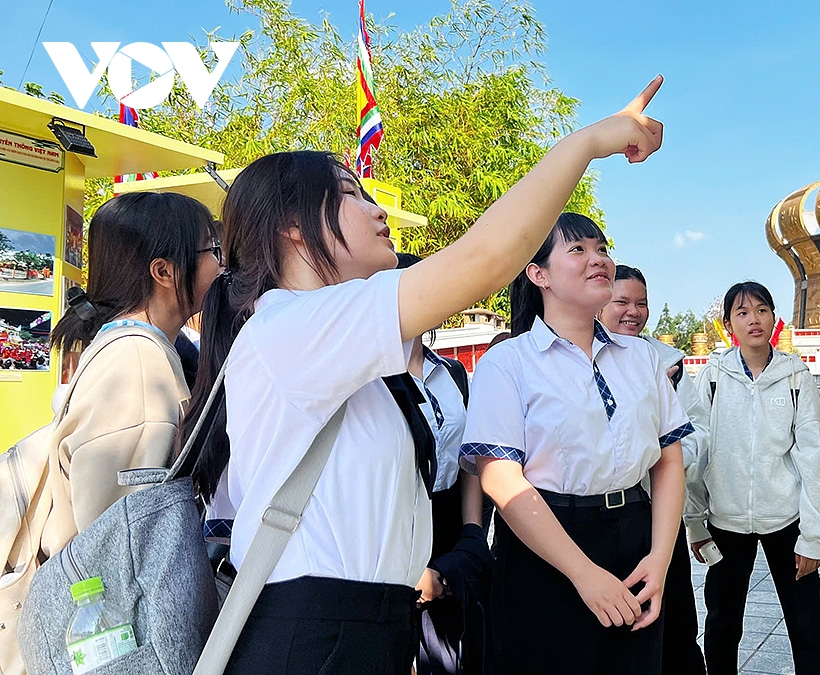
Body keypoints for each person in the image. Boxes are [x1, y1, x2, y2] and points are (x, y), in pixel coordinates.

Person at [183, 77, 665, 673]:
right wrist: (586, 143)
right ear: (295, 228)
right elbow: (484, 260)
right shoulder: (291, 326)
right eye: (352, 194)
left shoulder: (329, 345)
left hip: (363, 626)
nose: (377, 209)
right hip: (318, 635)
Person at [462, 213, 690, 675]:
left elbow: (668, 461)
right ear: (538, 274)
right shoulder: (508, 363)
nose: (598, 260)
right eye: (578, 250)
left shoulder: (642, 355)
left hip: (634, 539)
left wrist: (660, 559)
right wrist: (584, 575)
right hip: (543, 546)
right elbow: (500, 479)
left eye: (601, 249)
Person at [45, 191, 222, 549]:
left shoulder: (136, 347)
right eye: (212, 250)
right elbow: (116, 542)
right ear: (164, 271)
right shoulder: (138, 363)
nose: (222, 265)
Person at [686, 281, 820, 675]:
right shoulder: (714, 376)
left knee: (806, 626)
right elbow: (697, 451)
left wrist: (813, 536)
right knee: (722, 625)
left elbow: (814, 456)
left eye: (761, 310)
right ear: (728, 324)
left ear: (774, 316)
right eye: (742, 312)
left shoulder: (795, 376)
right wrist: (695, 522)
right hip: (726, 521)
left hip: (785, 520)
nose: (754, 319)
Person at [598, 264, 708, 674]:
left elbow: (700, 435)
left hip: (659, 514)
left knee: (675, 626)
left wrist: (664, 442)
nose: (633, 312)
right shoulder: (578, 358)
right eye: (621, 301)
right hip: (604, 518)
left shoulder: (668, 364)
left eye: (641, 303)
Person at [395, 253, 490, 675]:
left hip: (453, 522)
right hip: (400, 527)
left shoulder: (451, 371)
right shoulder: (371, 378)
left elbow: (468, 456)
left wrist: (472, 533)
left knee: (456, 651)